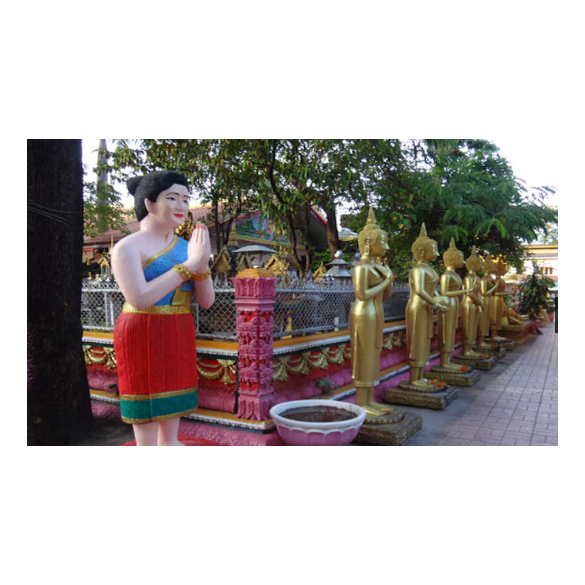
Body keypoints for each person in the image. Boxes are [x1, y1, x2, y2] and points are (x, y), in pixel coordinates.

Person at [112, 171, 215, 446]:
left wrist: (202, 264)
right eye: (172, 198)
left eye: (186, 199)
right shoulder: (126, 248)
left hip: (179, 325)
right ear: (149, 203)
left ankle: (169, 440)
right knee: (144, 387)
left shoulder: (187, 247)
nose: (181, 206)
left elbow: (207, 301)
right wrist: (189, 266)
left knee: (174, 383)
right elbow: (139, 298)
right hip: (141, 326)